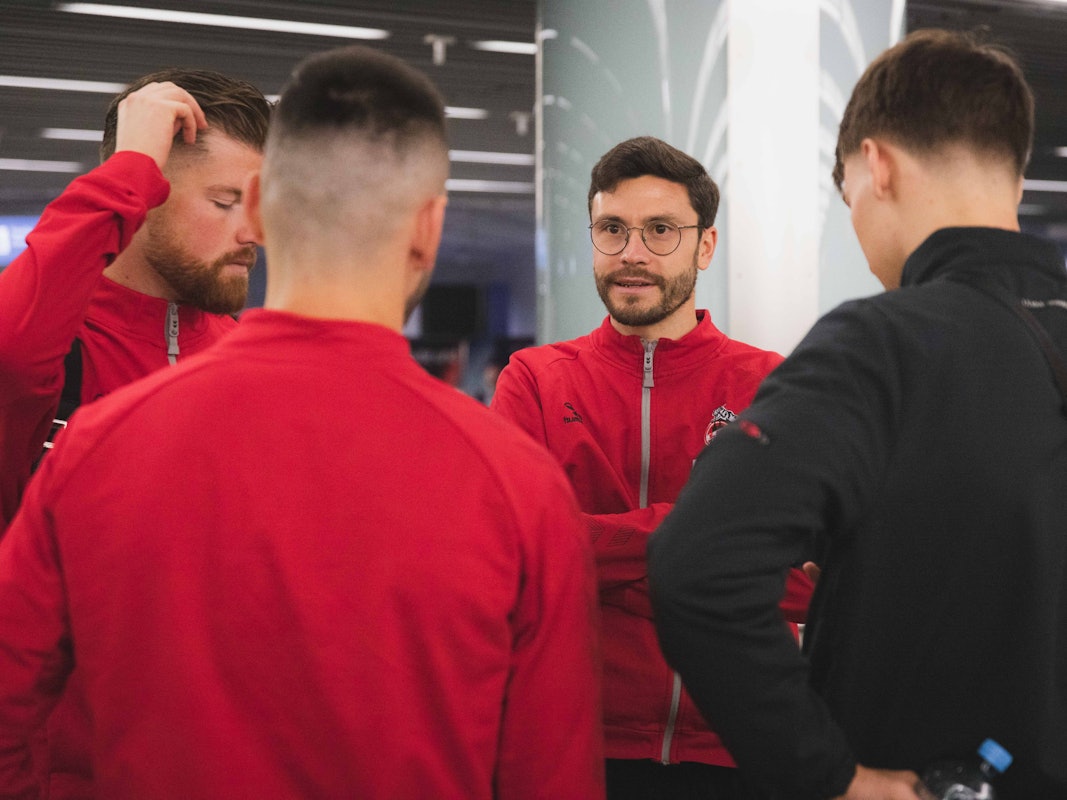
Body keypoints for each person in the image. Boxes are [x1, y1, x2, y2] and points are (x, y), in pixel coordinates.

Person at [0, 44, 605, 800]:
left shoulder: (136, 423)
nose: (247, 232)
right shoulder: (73, 384)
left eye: (244, 205)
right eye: (221, 202)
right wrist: (122, 173)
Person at [649, 28, 1067, 799]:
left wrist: (829, 777)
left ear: (875, 167)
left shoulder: (881, 345)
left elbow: (695, 567)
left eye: (844, 195)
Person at [490, 135, 812, 799]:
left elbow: (806, 584)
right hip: (574, 747)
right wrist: (697, 549)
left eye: (659, 230)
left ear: (704, 247)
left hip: (736, 749)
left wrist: (595, 557)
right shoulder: (535, 382)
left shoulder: (772, 386)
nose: (631, 253)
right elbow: (512, 559)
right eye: (612, 229)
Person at [0, 68, 271, 532]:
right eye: (225, 202)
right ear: (144, 194)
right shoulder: (56, 349)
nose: (253, 233)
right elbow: (11, 349)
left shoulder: (245, 358)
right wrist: (129, 166)